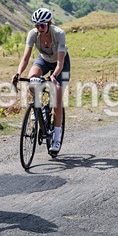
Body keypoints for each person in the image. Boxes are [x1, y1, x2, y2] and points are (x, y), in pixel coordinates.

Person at [12, 8, 69, 155]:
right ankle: (39, 109)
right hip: (43, 60)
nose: (39, 28)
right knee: (32, 81)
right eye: (36, 25)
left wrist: (54, 75)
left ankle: (56, 138)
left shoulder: (59, 34)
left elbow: (60, 63)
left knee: (56, 97)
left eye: (42, 25)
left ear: (49, 23)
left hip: (60, 63)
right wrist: (18, 73)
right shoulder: (33, 34)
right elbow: (25, 58)